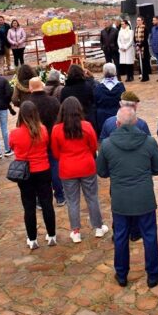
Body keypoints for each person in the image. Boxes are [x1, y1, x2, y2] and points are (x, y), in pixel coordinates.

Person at [97, 107, 158, 288]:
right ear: (136, 122)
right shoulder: (149, 142)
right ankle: (152, 274)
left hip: (120, 198)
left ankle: (121, 274)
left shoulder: (107, 144)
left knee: (121, 236)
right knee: (149, 235)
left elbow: (102, 172)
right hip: (143, 196)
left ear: (117, 123)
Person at [50, 97, 108, 243]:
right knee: (92, 197)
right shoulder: (87, 126)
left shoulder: (57, 129)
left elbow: (55, 153)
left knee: (72, 201)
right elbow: (93, 146)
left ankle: (75, 231)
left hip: (67, 168)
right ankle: (98, 227)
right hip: (86, 165)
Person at [9, 101, 57, 249]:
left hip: (25, 173)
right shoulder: (42, 130)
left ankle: (32, 239)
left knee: (29, 206)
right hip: (42, 169)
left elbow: (11, 146)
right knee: (47, 203)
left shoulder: (15, 133)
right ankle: (51, 235)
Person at [27, 76, 66, 207]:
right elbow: (60, 119)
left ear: (30, 88)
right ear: (42, 86)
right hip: (52, 137)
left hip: (35, 139)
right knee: (55, 165)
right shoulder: (53, 101)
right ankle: (60, 196)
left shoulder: (28, 104)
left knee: (37, 169)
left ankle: (39, 199)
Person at [60, 64, 96, 129]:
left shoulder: (64, 90)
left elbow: (62, 105)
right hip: (86, 119)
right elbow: (92, 102)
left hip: (70, 121)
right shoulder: (87, 87)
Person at [94, 63, 126, 133]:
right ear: (115, 72)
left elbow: (95, 103)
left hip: (102, 118)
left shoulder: (98, 87)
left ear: (104, 72)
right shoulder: (121, 86)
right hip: (117, 116)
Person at [134, 15, 151, 82]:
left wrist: (140, 45)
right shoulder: (136, 28)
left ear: (142, 21)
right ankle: (142, 75)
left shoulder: (145, 28)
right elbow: (134, 38)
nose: (137, 21)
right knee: (140, 62)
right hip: (138, 47)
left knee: (145, 62)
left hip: (144, 47)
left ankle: (146, 77)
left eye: (139, 20)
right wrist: (137, 44)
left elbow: (145, 38)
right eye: (137, 20)